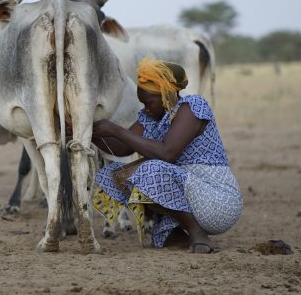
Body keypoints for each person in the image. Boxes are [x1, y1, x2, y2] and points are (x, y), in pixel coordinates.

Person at [91, 58, 242, 254]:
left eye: (149, 102)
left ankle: (196, 231)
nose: (146, 108)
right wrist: (88, 133)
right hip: (189, 194)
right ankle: (178, 233)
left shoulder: (192, 107)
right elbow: (121, 148)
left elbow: (166, 153)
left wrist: (115, 130)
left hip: (216, 200)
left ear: (166, 93)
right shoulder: (152, 116)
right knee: (117, 175)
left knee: (150, 168)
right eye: (143, 103)